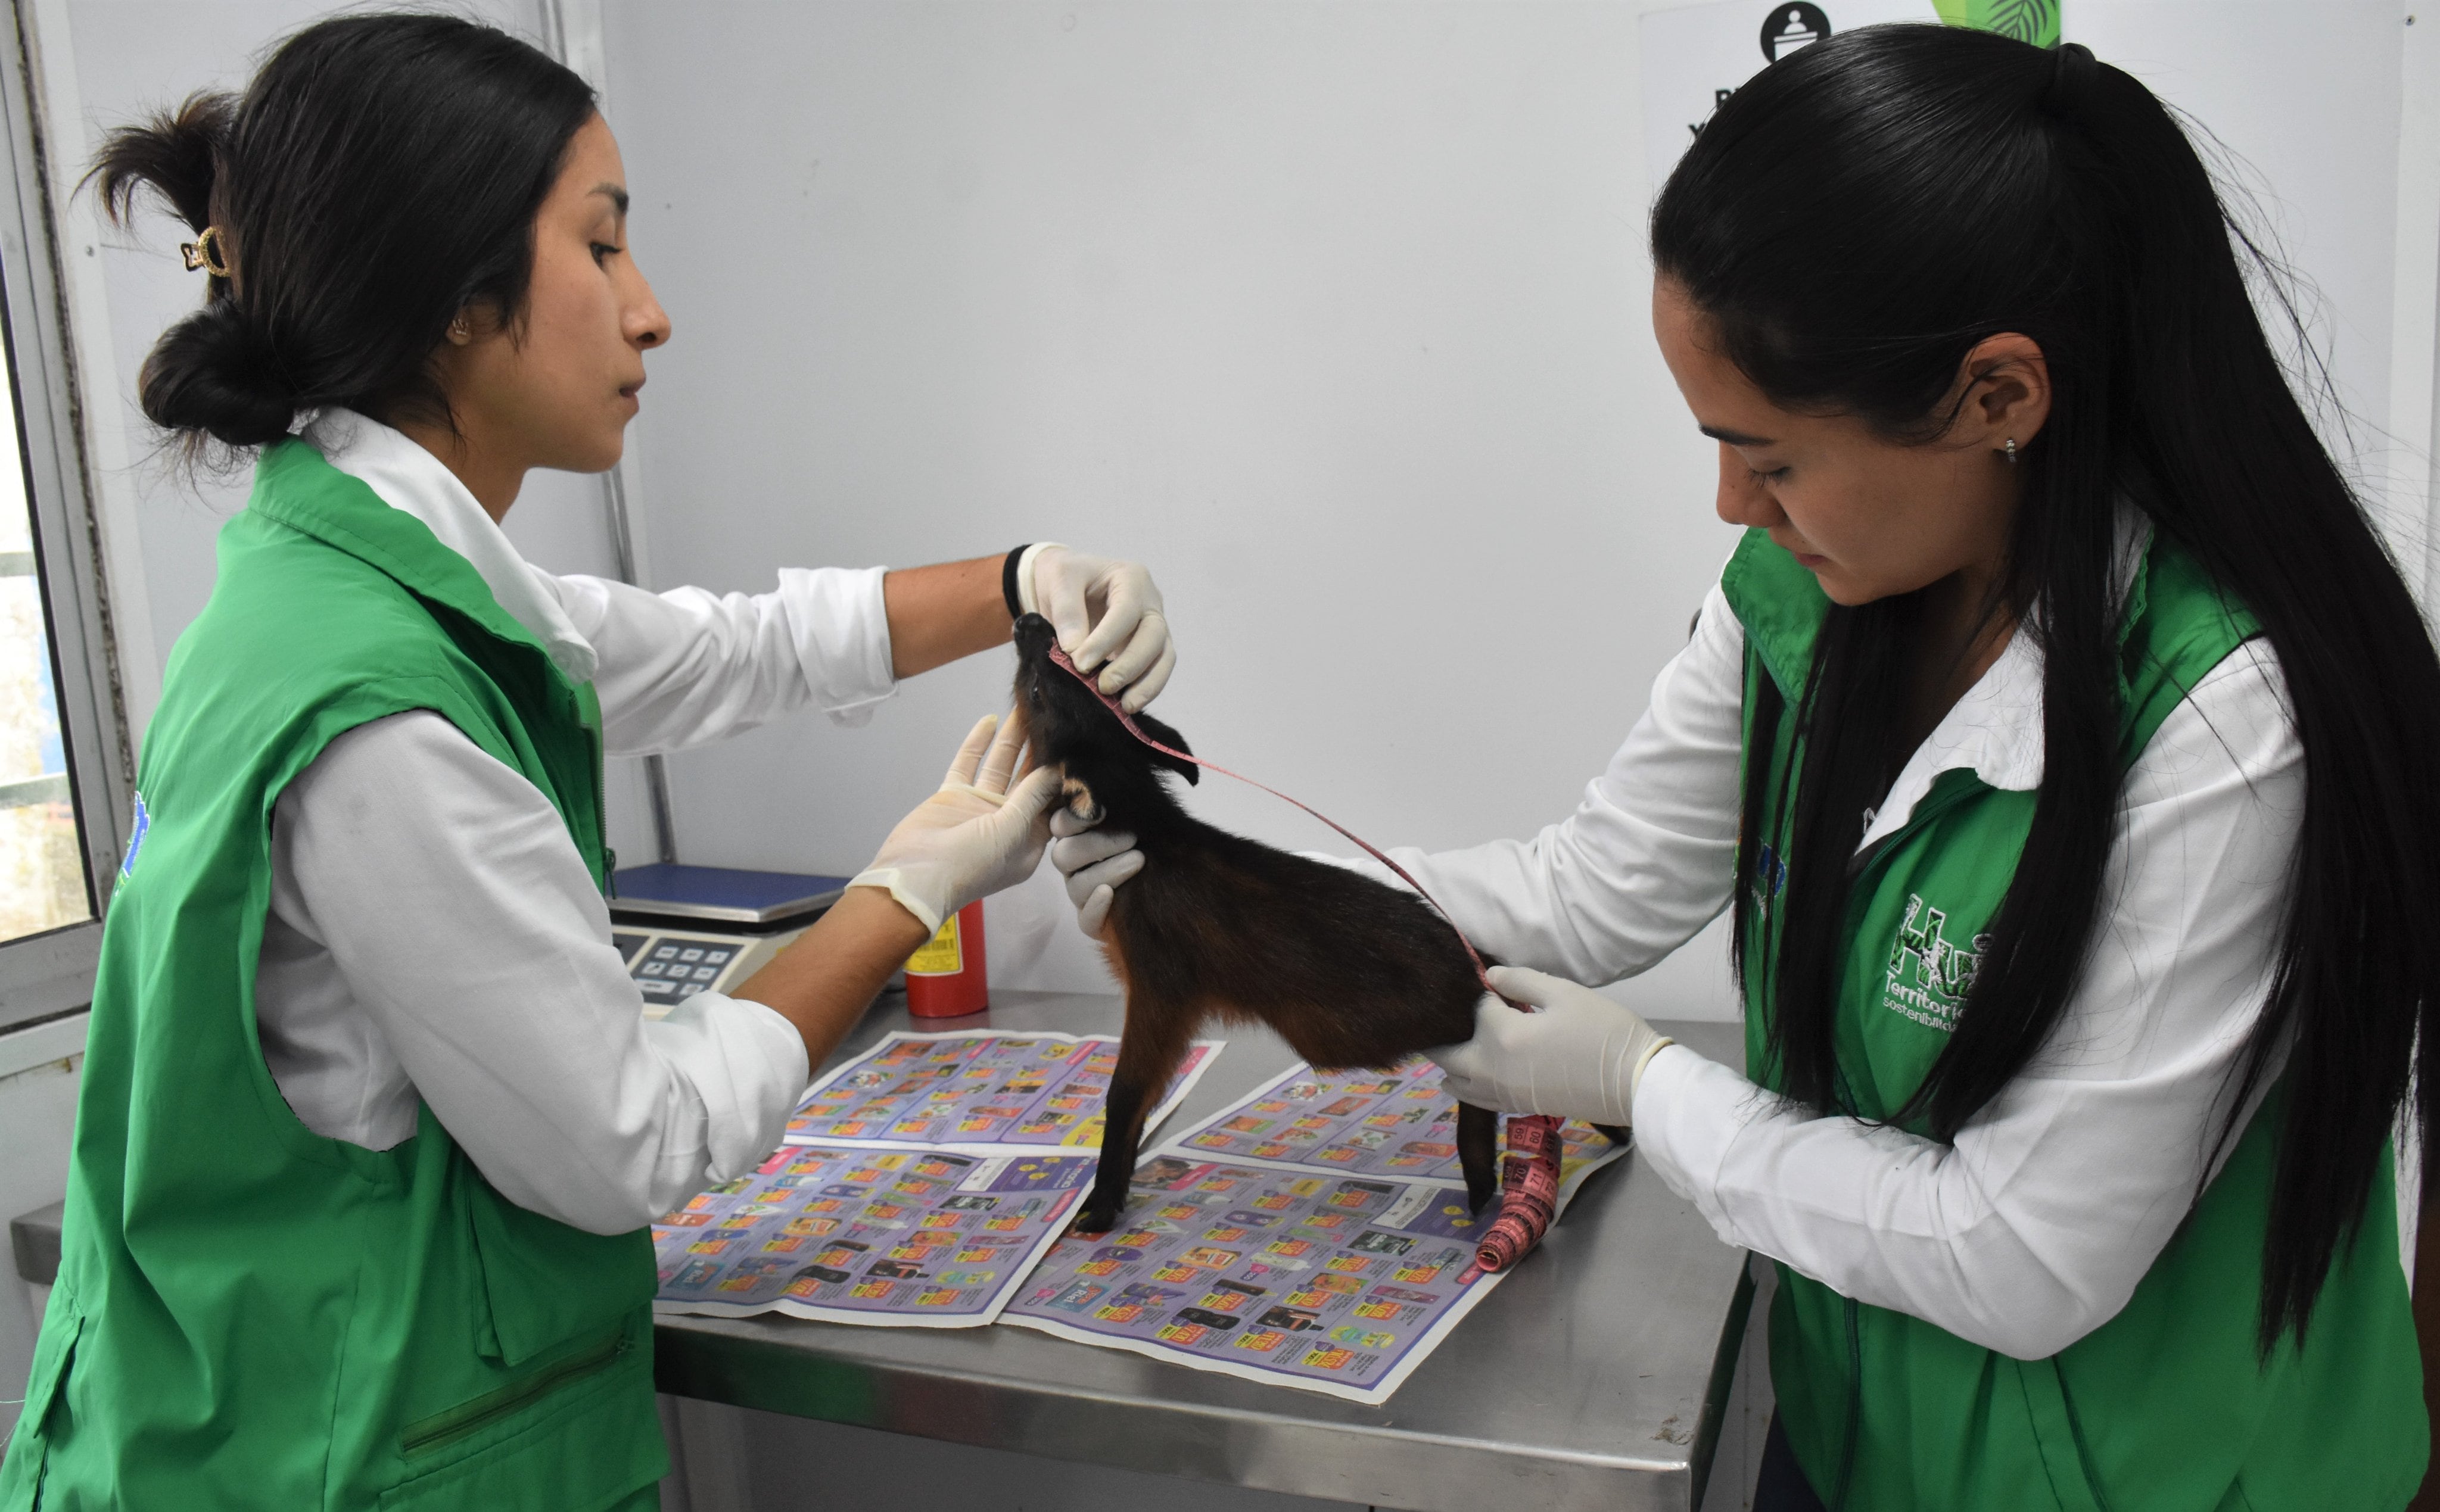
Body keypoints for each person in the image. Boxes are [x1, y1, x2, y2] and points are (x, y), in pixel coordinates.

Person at [1056, 28, 2435, 1511]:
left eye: (1768, 458)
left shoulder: (2223, 728)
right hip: (1857, 1432)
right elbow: (1588, 891)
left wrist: (1646, 1087)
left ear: (1998, 397)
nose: (1729, 502)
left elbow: (2023, 1258)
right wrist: (1210, 890)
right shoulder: (1799, 598)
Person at [0, 15, 1175, 1512]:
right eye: (602, 248)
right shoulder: (380, 721)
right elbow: (636, 1136)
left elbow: (726, 648)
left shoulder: (348, 577)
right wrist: (908, 886)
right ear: (451, 301)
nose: (651, 311)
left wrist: (1022, 578)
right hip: (329, 1462)